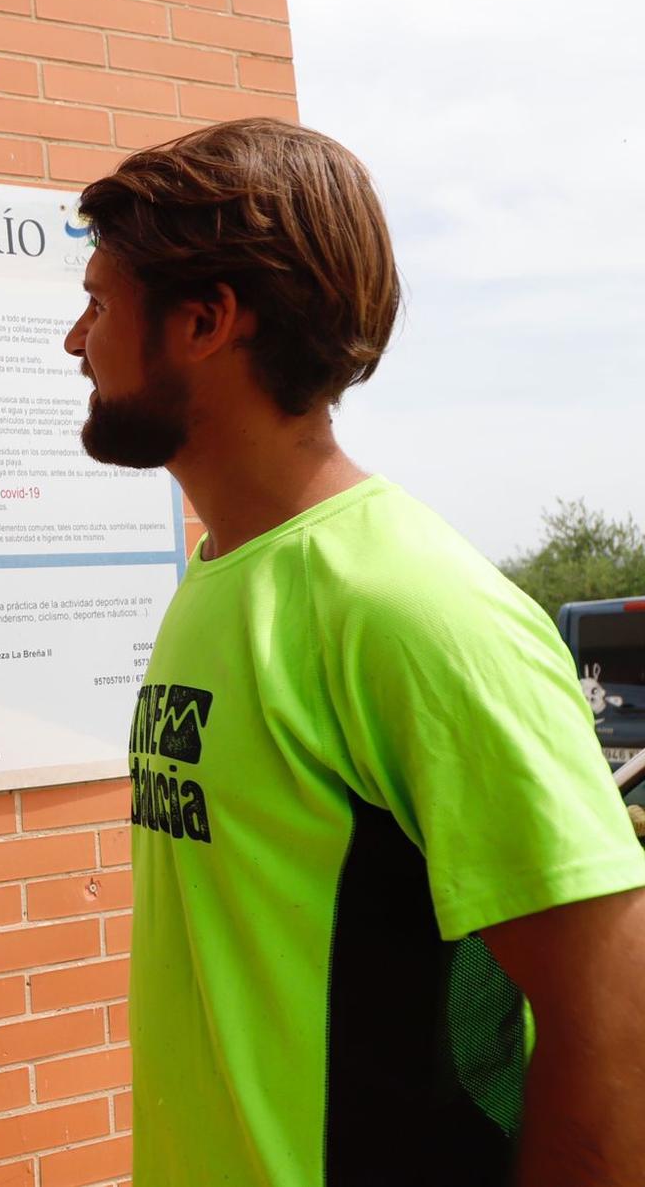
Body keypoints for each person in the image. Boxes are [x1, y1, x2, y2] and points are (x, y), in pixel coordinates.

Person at [63, 118, 645, 1186]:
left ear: (204, 320)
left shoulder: (410, 608)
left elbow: (611, 1025)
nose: (74, 339)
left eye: (98, 301)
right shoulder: (218, 574)